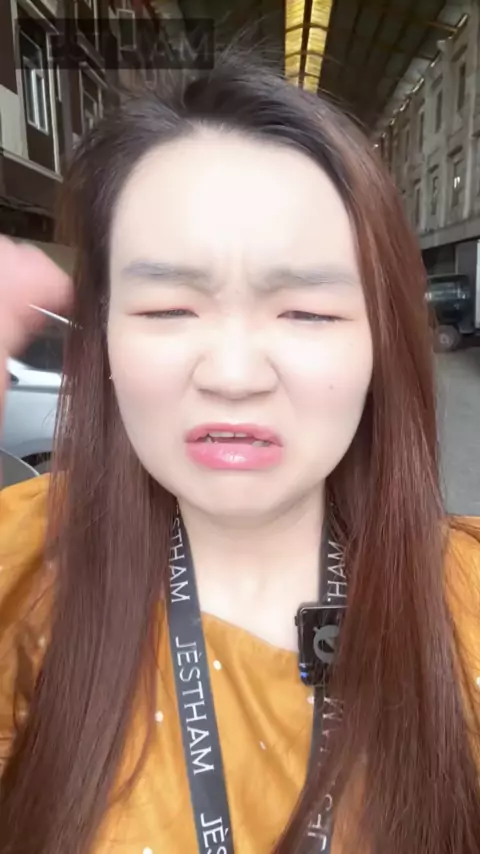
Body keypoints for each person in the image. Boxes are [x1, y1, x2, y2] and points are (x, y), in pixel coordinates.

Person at [0, 54, 479, 854]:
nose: (231, 375)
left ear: (382, 344)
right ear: (105, 335)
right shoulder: (24, 569)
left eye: (306, 313)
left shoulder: (465, 605)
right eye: (167, 308)